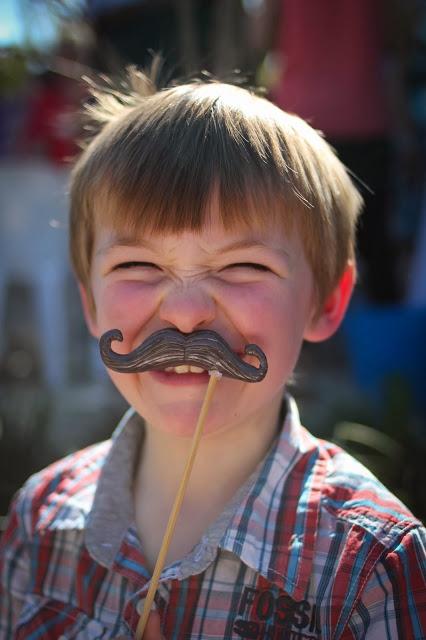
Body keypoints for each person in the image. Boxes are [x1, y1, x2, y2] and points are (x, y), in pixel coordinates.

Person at [1, 67, 425, 639]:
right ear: (91, 304)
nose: (185, 312)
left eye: (243, 266)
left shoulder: (370, 570)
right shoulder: (40, 518)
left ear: (327, 300)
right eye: (137, 265)